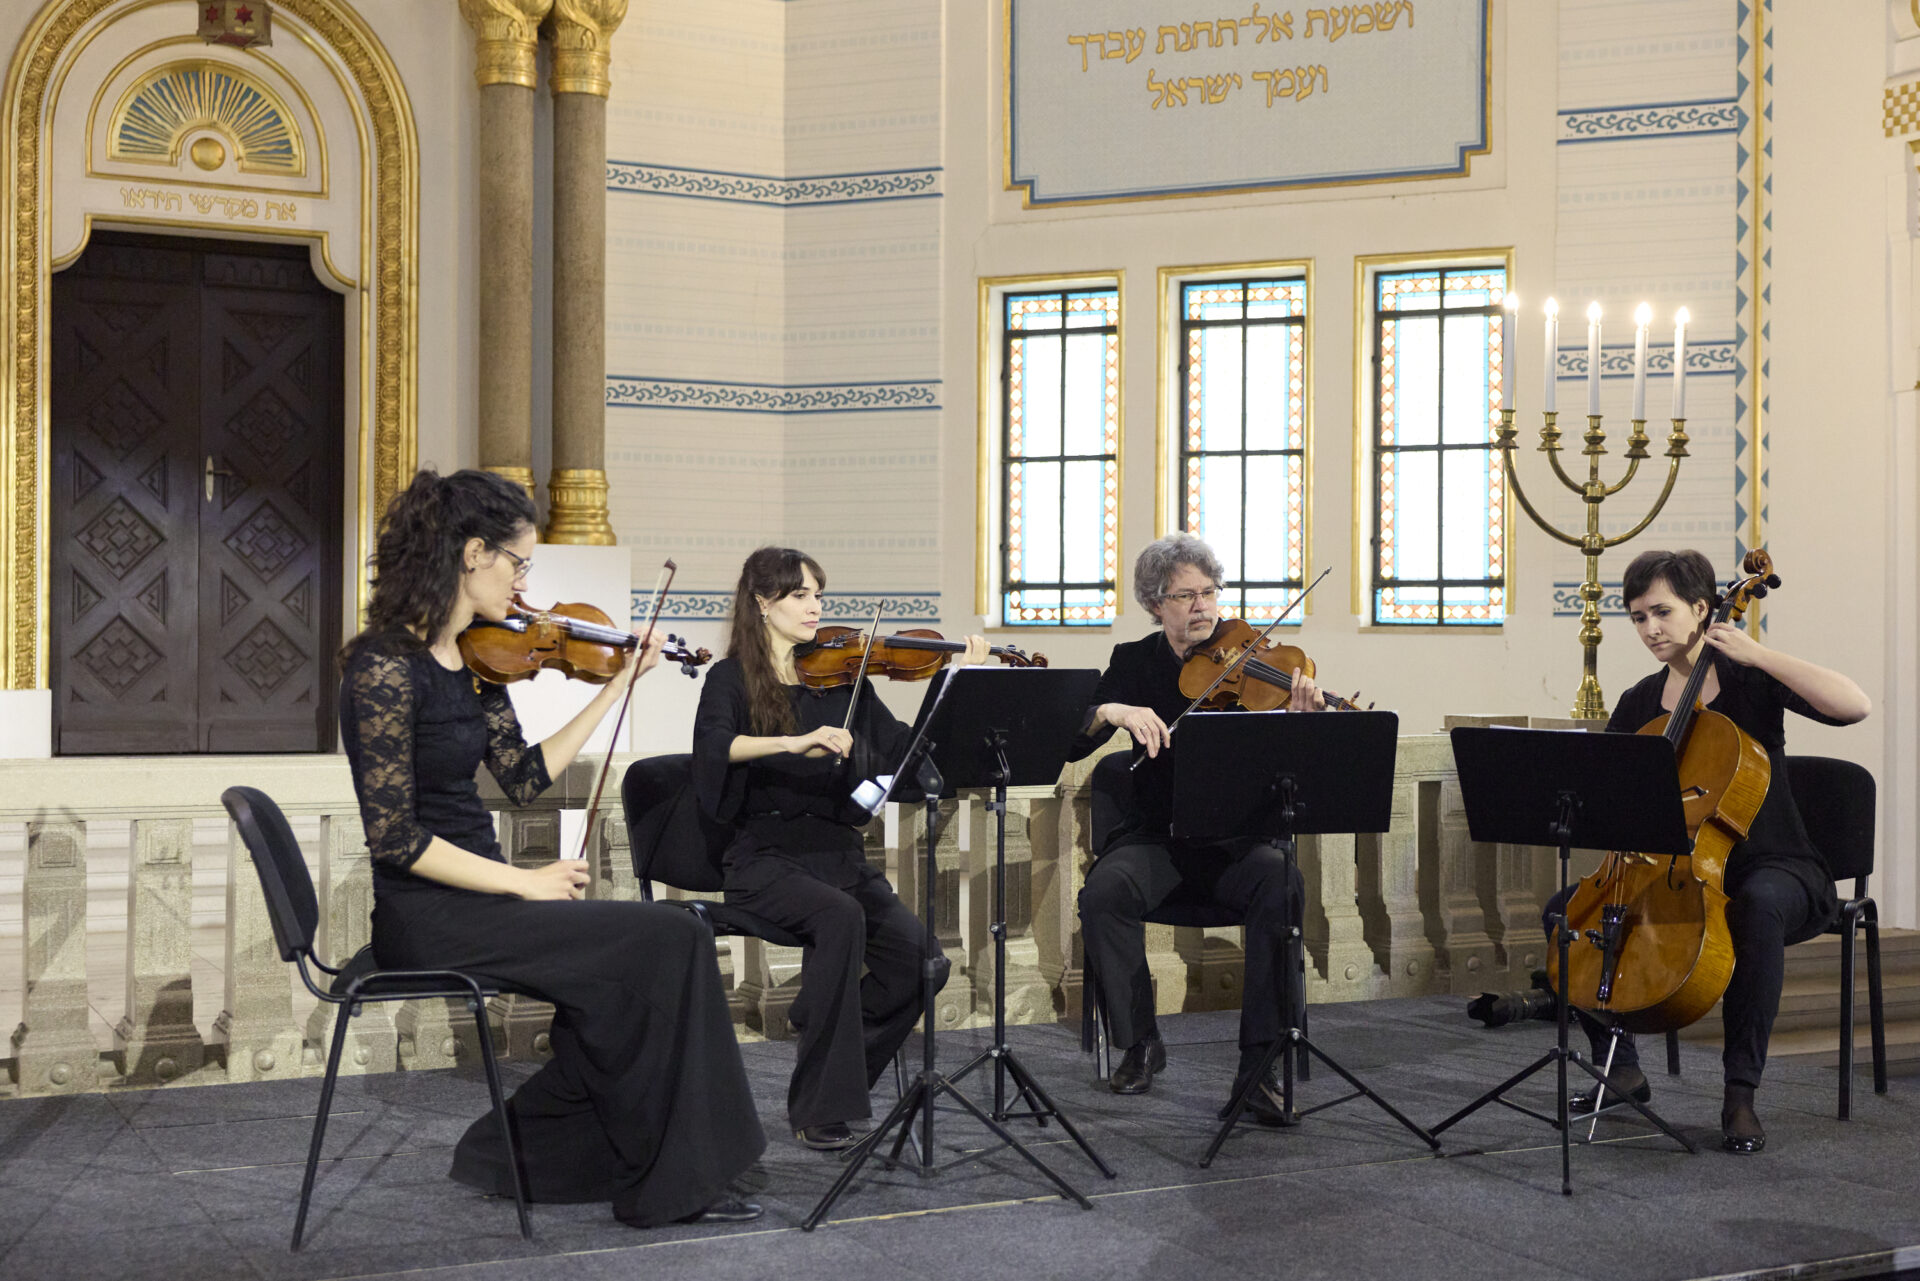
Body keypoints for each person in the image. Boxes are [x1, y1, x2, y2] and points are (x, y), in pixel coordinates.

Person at [338, 468, 766, 1227]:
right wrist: (523, 882)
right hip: (427, 915)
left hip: (485, 899)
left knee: (665, 946)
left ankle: (525, 1150)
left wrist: (613, 689)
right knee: (667, 938)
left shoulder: (475, 661)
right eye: (519, 563)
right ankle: (675, 1178)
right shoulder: (383, 667)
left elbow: (524, 776)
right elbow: (396, 839)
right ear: (473, 553)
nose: (525, 583)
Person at [1544, 548, 1871, 1153]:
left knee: (1756, 907)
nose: (1650, 629)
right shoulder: (1640, 701)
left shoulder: (1750, 681)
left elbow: (1854, 704)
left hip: (1774, 864)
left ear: (1702, 609)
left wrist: (1758, 653)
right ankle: (1622, 1070)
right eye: (1638, 617)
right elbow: (1610, 795)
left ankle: (1740, 1093)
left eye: (1662, 612)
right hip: (1675, 870)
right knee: (1566, 915)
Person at [692, 547, 988, 1150]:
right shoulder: (731, 678)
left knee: (923, 964)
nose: (815, 608)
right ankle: (821, 1105)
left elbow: (904, 749)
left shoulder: (843, 677)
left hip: (838, 855)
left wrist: (955, 684)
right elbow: (715, 747)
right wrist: (794, 742)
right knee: (839, 916)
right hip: (763, 857)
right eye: (800, 595)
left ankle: (832, 1048)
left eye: (818, 596)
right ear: (762, 602)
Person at [1068, 533, 1326, 1124]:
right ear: (1155, 604)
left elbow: (1292, 773)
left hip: (1236, 846)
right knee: (1104, 891)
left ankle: (1259, 1069)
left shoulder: (1257, 663)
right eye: (1185, 596)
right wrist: (1112, 710)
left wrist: (1300, 725)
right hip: (1157, 841)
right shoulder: (1134, 662)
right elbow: (1073, 737)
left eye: (1208, 592)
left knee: (1282, 881)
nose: (1202, 606)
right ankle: (1140, 1042)